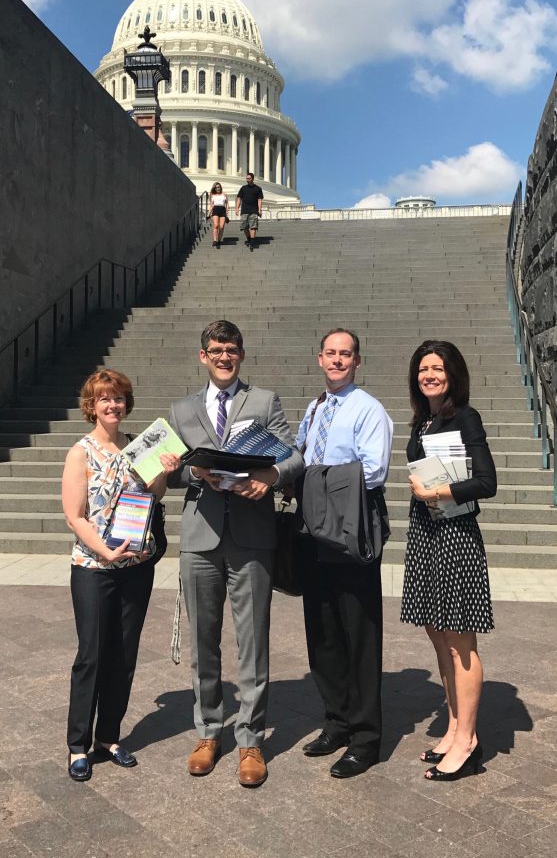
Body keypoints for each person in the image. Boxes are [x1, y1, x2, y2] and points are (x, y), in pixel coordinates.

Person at [167, 319, 304, 787]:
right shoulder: (182, 408)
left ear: (241, 355)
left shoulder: (264, 401)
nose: (224, 357)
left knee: (252, 641)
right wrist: (193, 473)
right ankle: (207, 731)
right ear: (202, 356)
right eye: (216, 350)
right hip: (201, 535)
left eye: (232, 349)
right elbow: (170, 471)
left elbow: (294, 455)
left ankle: (249, 739)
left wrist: (270, 477)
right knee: (203, 641)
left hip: (251, 535)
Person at [62, 369, 181, 782]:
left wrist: (164, 470)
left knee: (124, 654)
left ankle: (108, 737)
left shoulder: (138, 445)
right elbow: (74, 516)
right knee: (92, 654)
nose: (112, 405)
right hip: (95, 567)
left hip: (136, 564)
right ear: (91, 406)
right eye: (104, 399)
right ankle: (78, 744)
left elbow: (153, 495)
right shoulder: (81, 452)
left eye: (118, 398)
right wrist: (103, 550)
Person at [296, 328, 393, 778]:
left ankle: (366, 737)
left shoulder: (368, 409)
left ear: (358, 361)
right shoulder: (314, 408)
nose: (337, 360)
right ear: (319, 359)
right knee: (324, 632)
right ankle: (335, 721)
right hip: (314, 531)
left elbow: (373, 471)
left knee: (360, 635)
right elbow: (299, 456)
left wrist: (315, 480)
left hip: (351, 529)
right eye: (331, 354)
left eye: (346, 354)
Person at [401, 340, 497, 782]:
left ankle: (468, 741)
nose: (429, 375)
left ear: (452, 373)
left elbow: (486, 482)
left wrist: (437, 492)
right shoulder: (424, 420)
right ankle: (455, 726)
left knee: (460, 640)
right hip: (427, 533)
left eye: (437, 368)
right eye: (423, 369)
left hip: (455, 534)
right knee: (438, 634)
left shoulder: (465, 417)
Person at [235, 172, 263, 251]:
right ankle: (249, 238)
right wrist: (237, 208)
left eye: (249, 179)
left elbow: (260, 200)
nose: (247, 180)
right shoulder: (243, 188)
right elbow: (239, 198)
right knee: (244, 227)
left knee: (253, 226)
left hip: (254, 210)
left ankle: (252, 243)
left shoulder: (258, 188)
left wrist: (260, 209)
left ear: (252, 179)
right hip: (244, 210)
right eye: (247, 179)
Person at [209, 181, 228, 248]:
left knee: (221, 226)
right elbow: (211, 205)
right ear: (214, 188)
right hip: (215, 210)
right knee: (216, 225)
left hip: (222, 210)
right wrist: (209, 214)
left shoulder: (224, 194)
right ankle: (215, 240)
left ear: (220, 187)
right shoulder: (212, 195)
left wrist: (227, 211)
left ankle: (219, 240)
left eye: (219, 187)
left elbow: (227, 203)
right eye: (216, 187)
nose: (217, 188)